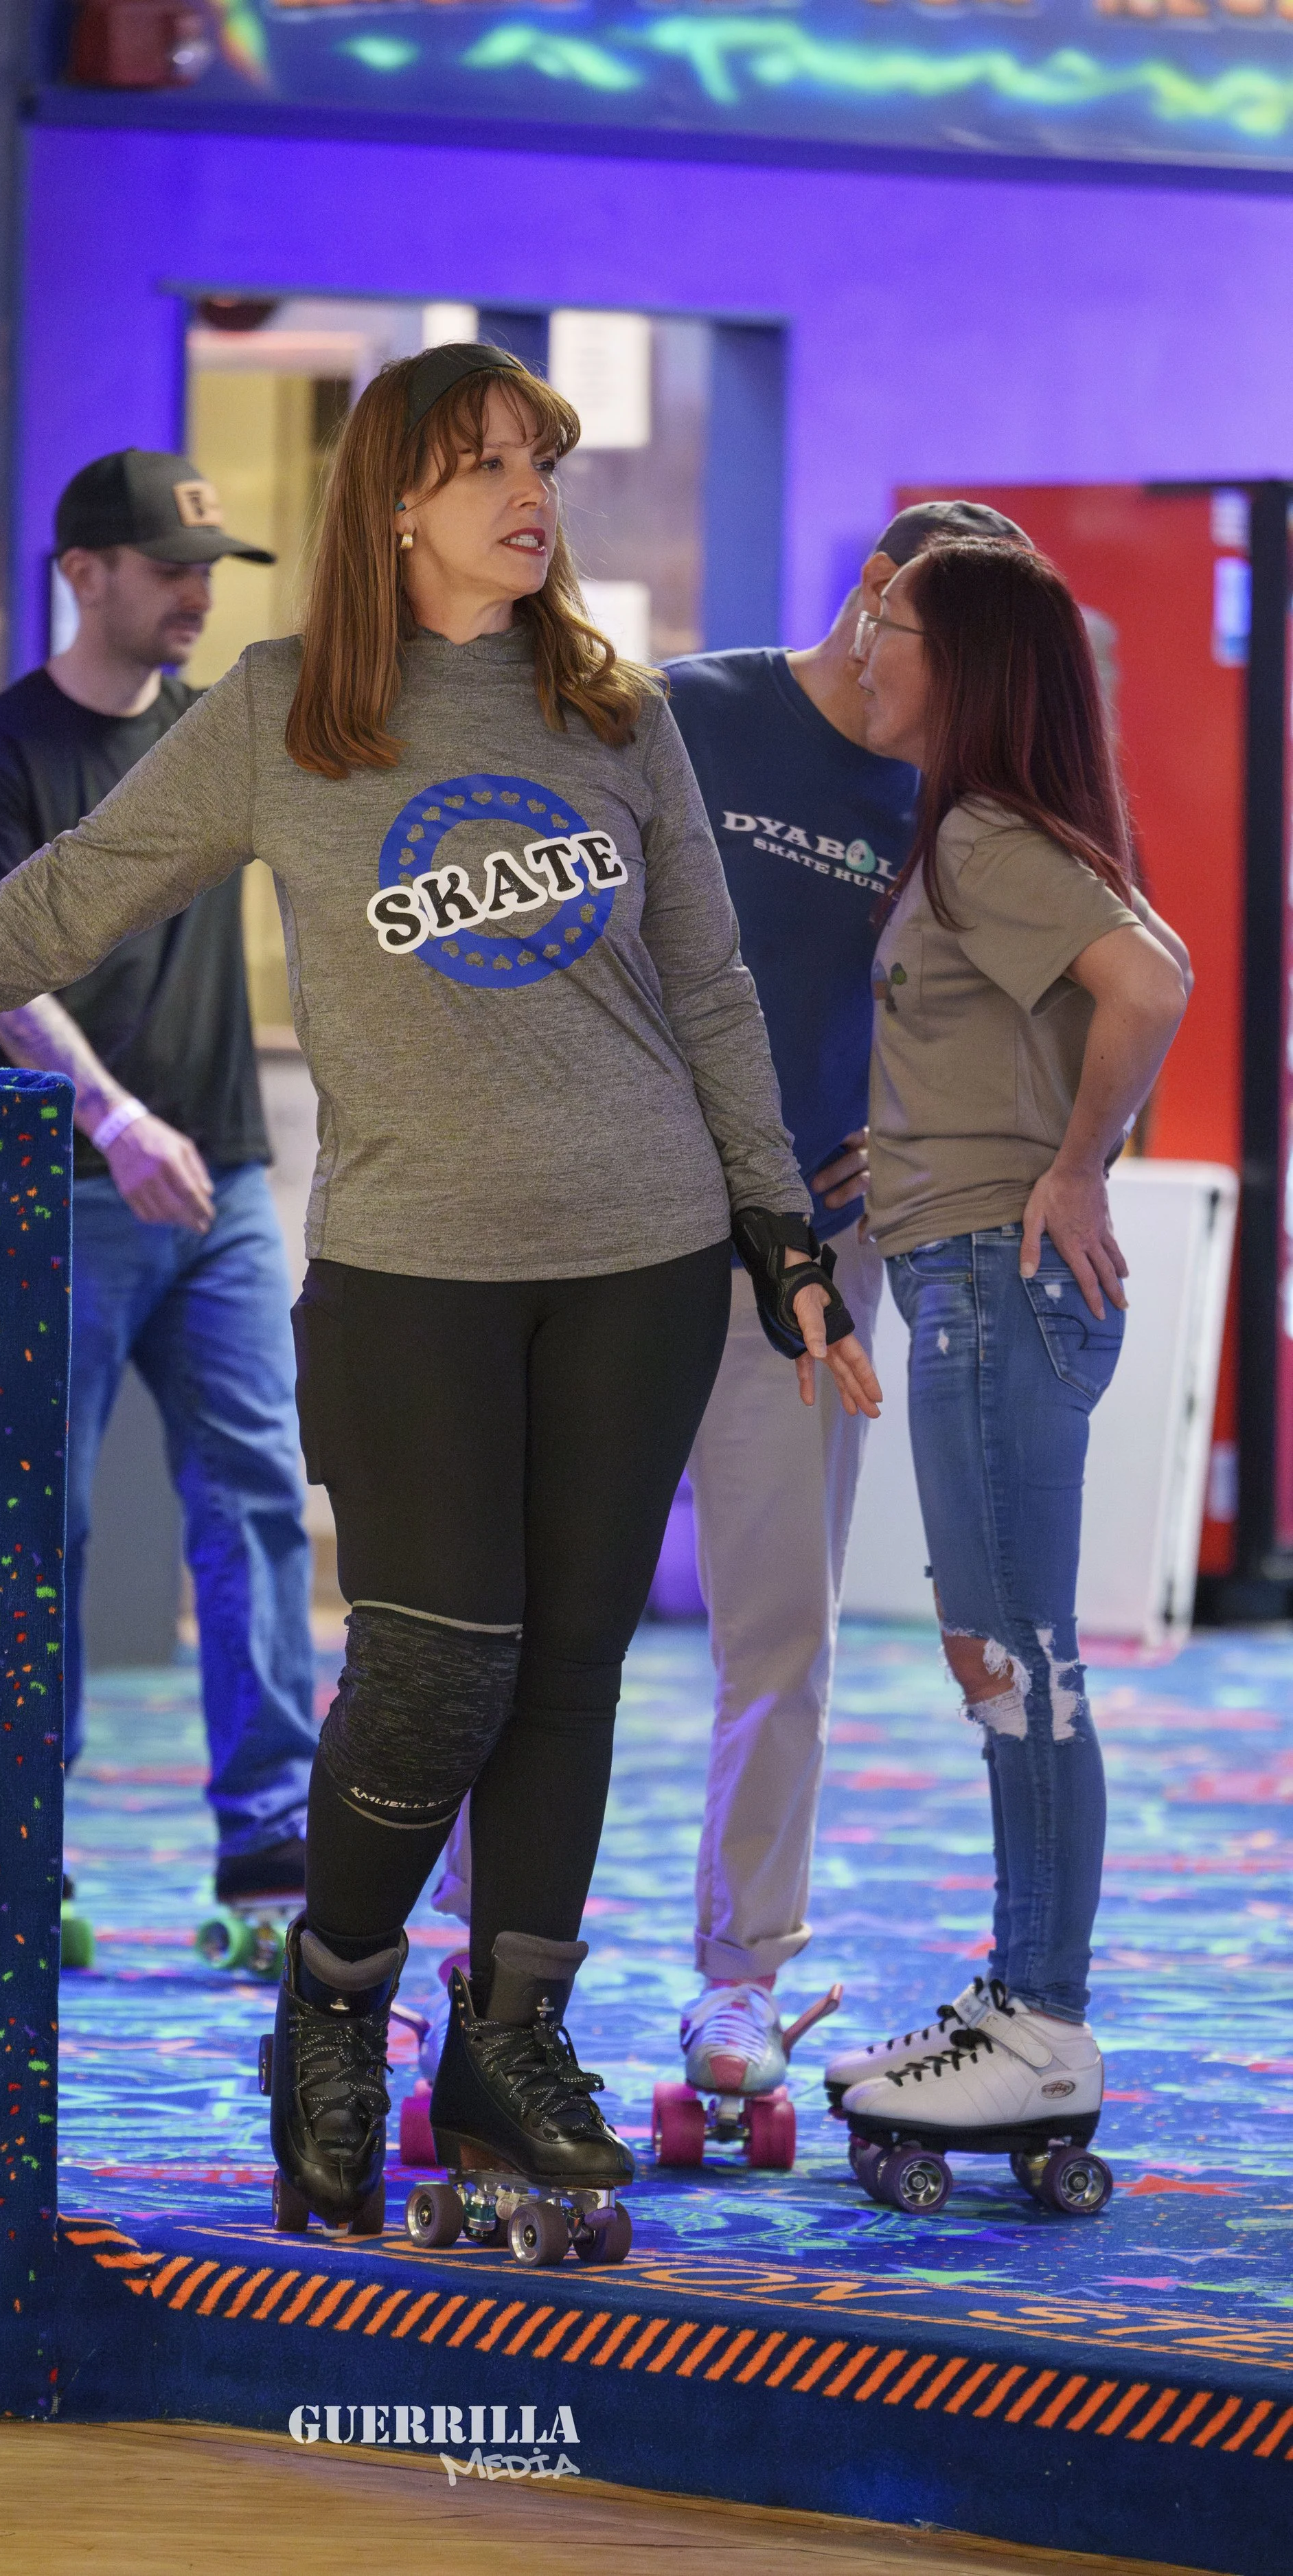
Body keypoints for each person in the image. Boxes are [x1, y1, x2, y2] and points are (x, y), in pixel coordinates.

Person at [0, 344, 879, 2241]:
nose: (529, 492)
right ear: (395, 503)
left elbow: (713, 987)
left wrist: (783, 1237)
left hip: (643, 1248)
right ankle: (334, 2008)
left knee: (572, 1667)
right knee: (433, 1664)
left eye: (543, 462)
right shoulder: (286, 714)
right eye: (487, 462)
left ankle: (511, 2035)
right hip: (414, 1262)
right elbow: (76, 886)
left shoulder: (616, 712)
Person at [656, 500, 1029, 2110]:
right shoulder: (682, 711)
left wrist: (923, 1122)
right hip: (604, 1231)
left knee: (780, 1632)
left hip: (808, 1262)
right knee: (532, 1622)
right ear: (876, 598)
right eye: (938, 662)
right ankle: (467, 1952)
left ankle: (737, 1982)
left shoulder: (941, 795)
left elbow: (1040, 997)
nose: (944, 716)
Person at [0, 447, 319, 1911]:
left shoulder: (219, 735)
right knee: (43, 1517)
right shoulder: (1, 753)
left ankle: (270, 1838)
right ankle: (32, 1852)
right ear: (82, 575)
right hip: (61, 1189)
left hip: (218, 1184)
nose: (198, 596)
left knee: (257, 1500)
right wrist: (110, 1123)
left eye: (212, 571)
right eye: (169, 570)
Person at [822, 536, 1190, 2132]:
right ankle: (1025, 1996)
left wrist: (1070, 1169)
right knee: (997, 1658)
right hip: (968, 1263)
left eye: (887, 622)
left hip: (994, 1277)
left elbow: (1150, 983)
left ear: (960, 663)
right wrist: (897, 1146)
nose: (861, 643)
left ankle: (1042, 2021)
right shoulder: (986, 833)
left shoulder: (977, 834)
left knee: (1020, 1666)